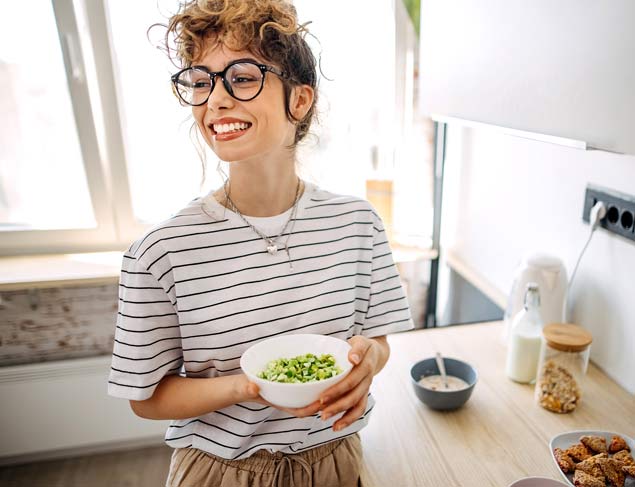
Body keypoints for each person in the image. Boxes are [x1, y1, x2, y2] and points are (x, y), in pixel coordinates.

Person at [107, 1, 413, 485]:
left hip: (339, 459)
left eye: (242, 77)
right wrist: (249, 386)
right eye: (201, 81)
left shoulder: (358, 223)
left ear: (300, 100)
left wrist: (369, 360)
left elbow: (377, 339)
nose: (215, 101)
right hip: (220, 471)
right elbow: (146, 398)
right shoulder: (162, 251)